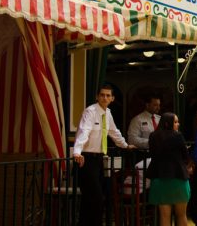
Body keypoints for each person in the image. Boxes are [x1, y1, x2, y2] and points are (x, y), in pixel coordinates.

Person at [73, 85, 134, 226]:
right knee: (96, 198)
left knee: (90, 199)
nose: (104, 98)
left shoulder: (108, 113)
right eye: (102, 95)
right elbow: (84, 131)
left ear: (112, 98)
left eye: (108, 95)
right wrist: (77, 151)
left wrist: (125, 145)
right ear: (97, 96)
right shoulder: (90, 111)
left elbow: (114, 132)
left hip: (98, 160)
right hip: (86, 159)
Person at [146, 112, 190, 226]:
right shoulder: (178, 136)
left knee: (164, 216)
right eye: (175, 122)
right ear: (167, 123)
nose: (178, 124)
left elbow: (152, 153)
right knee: (181, 215)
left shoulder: (153, 136)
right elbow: (186, 156)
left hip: (160, 178)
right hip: (178, 177)